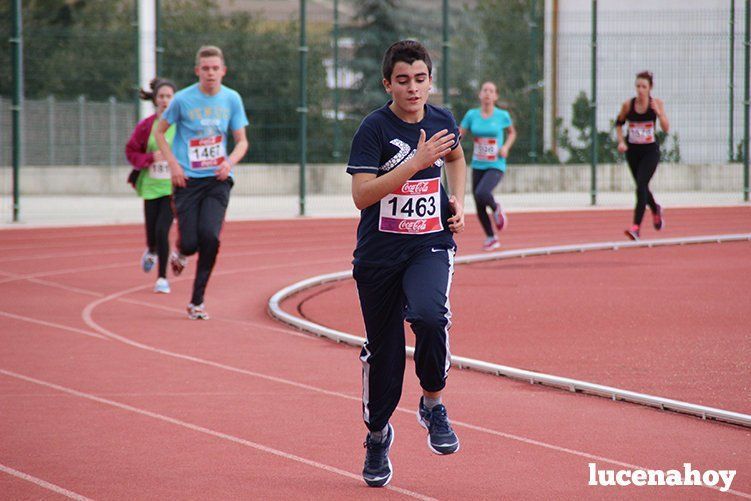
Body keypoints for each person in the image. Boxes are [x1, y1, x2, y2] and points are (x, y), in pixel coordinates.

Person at [347, 40, 467, 488]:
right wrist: (415, 162)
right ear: (388, 84)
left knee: (430, 316)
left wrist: (457, 200)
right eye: (403, 80)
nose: (413, 88)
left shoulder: (442, 120)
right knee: (387, 355)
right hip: (379, 256)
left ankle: (433, 403)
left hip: (429, 245)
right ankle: (377, 435)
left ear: (430, 81)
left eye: (420, 79)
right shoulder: (374, 129)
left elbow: (455, 157)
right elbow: (361, 195)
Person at [155, 45, 249, 320]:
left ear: (223, 71)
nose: (210, 73)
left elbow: (242, 141)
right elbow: (160, 133)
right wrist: (173, 164)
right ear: (198, 71)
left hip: (218, 180)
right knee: (191, 242)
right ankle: (181, 250)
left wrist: (228, 162)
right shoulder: (183, 100)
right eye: (205, 68)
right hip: (187, 180)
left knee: (210, 237)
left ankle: (197, 301)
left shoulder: (232, 99)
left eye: (215, 68)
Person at [125, 77, 178, 293]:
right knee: (152, 234)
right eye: (161, 96)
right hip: (150, 186)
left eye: (169, 97)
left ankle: (162, 279)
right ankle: (151, 250)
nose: (165, 101)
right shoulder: (146, 126)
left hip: (172, 187)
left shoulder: (181, 125)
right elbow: (131, 152)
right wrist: (150, 158)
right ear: (155, 99)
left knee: (162, 230)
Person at [459, 81, 516, 251]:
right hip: (478, 163)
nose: (488, 94)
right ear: (480, 94)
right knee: (478, 202)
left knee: (482, 193)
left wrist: (505, 147)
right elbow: (460, 133)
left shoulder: (502, 115)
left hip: (496, 164)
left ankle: (496, 208)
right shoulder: (471, 115)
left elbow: (512, 132)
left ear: (496, 96)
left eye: (491, 91)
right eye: (485, 90)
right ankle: (491, 237)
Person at [615, 70, 670, 240]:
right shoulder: (628, 105)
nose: (640, 90)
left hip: (650, 151)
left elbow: (666, 128)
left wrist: (659, 114)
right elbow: (618, 123)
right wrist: (621, 141)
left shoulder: (657, 104)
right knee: (642, 187)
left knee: (640, 186)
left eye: (643, 86)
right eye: (638, 86)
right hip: (633, 152)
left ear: (650, 88)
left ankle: (636, 228)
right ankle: (655, 209)